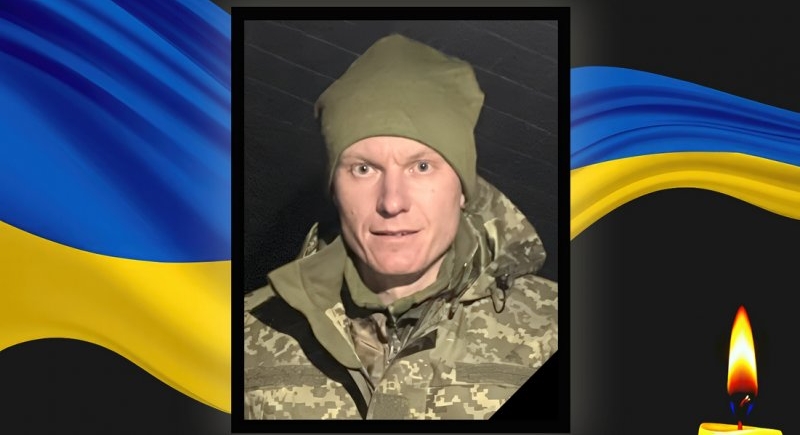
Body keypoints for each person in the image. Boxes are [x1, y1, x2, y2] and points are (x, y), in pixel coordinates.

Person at [244, 33, 558, 420]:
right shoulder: (246, 333)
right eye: (364, 169)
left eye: (421, 167)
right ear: (335, 190)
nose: (392, 202)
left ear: (463, 189)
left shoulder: (551, 329)